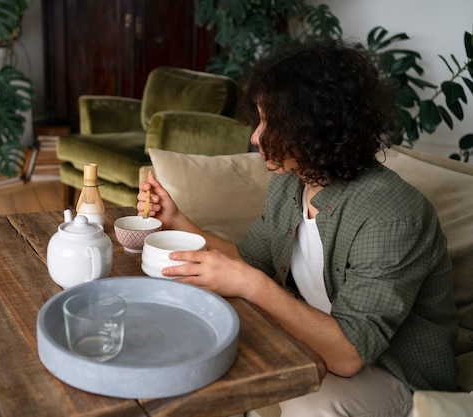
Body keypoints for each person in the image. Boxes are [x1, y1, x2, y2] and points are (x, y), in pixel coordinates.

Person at [137, 40, 458, 417]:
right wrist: (177, 221)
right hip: (320, 342)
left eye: (270, 122)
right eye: (258, 119)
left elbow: (350, 356)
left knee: (306, 400)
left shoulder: (393, 215)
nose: (255, 136)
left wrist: (251, 286)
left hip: (394, 373)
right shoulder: (293, 182)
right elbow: (247, 259)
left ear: (316, 128)